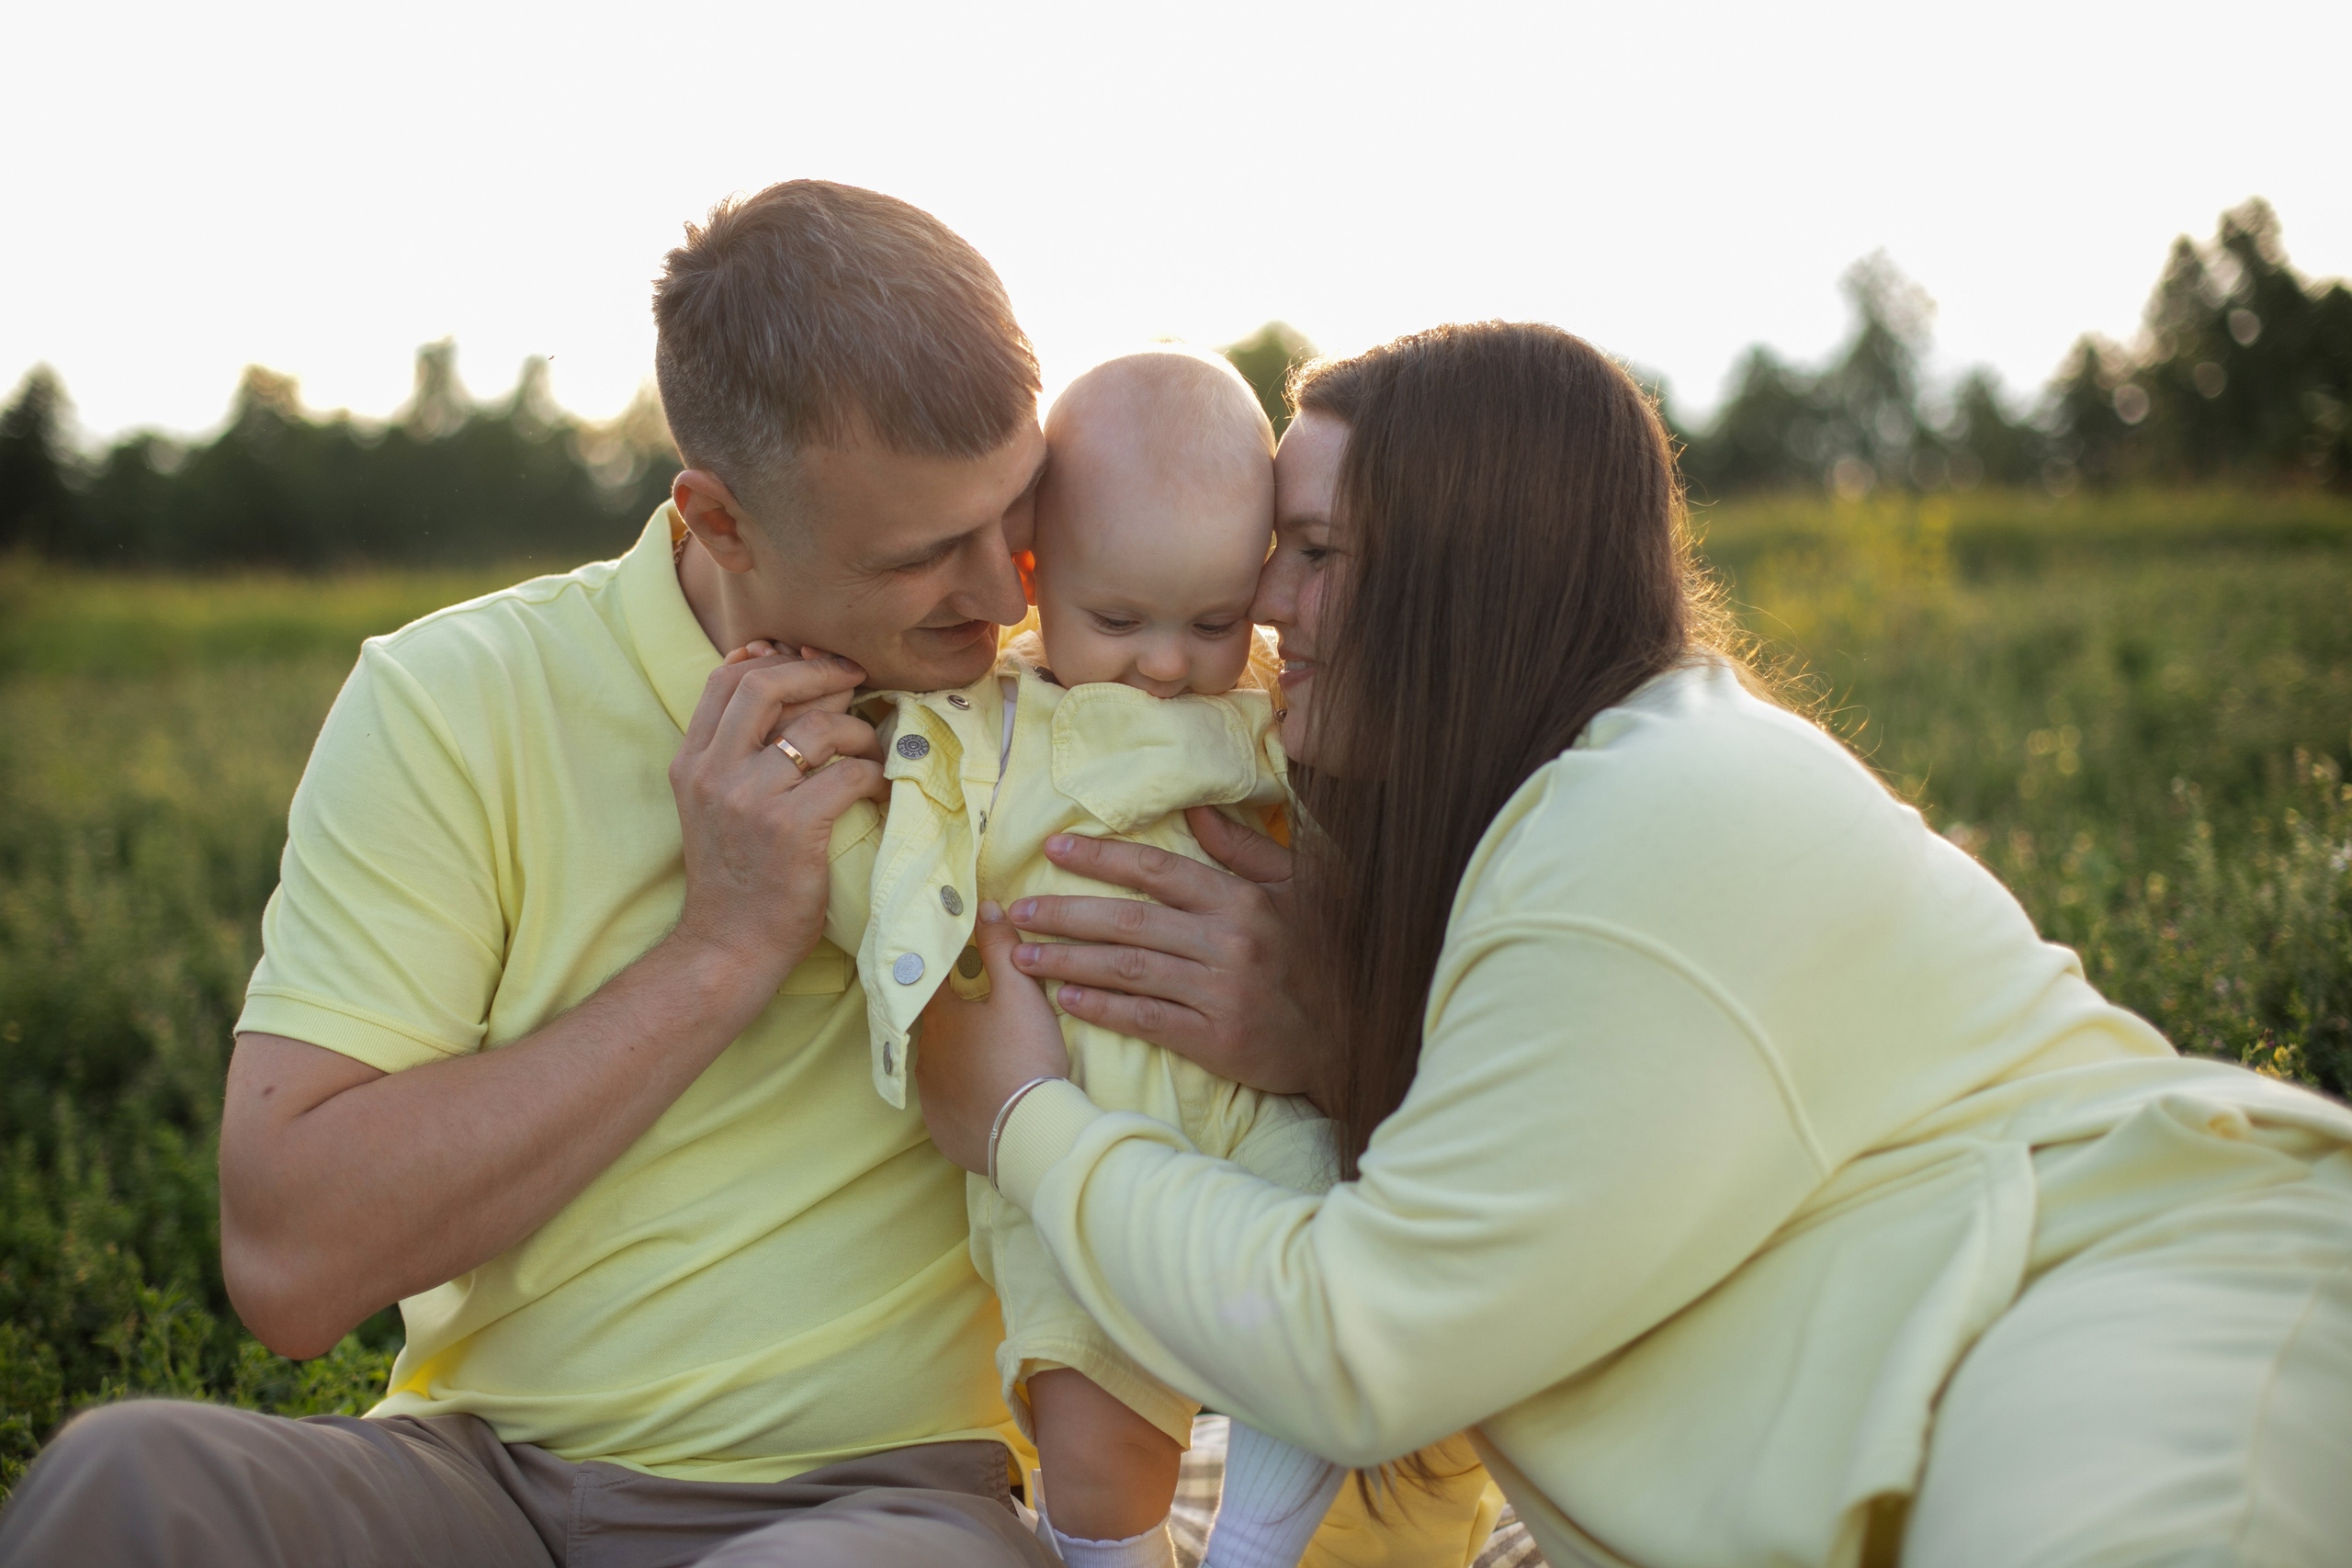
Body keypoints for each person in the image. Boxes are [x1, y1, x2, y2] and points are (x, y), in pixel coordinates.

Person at [914, 321, 2352, 1568]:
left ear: (1474, 575)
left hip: (2127, 1343)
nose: (1269, 602)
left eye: (1320, 552)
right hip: (1935, 1412)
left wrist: (1023, 1119)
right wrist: (1350, 1049)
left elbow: (1359, 1347)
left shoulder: (1655, 813)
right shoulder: (1535, 816)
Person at [0, 179, 1085, 1566]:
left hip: (884, 1508)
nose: (1007, 594)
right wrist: (721, 948)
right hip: (482, 1491)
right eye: (924, 556)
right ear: (720, 520)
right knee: (130, 1481)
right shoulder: (453, 697)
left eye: (1018, 507)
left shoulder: (1090, 691)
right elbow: (287, 1260)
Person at [808, 346, 1498, 1568]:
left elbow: (1349, 869)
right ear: (1034, 578)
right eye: (1119, 621)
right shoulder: (983, 730)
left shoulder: (1273, 718)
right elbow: (892, 847)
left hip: (1257, 1106)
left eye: (1214, 622)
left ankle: (1251, 1550)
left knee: (1334, 1306)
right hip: (1072, 1096)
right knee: (1094, 1413)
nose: (1169, 663)